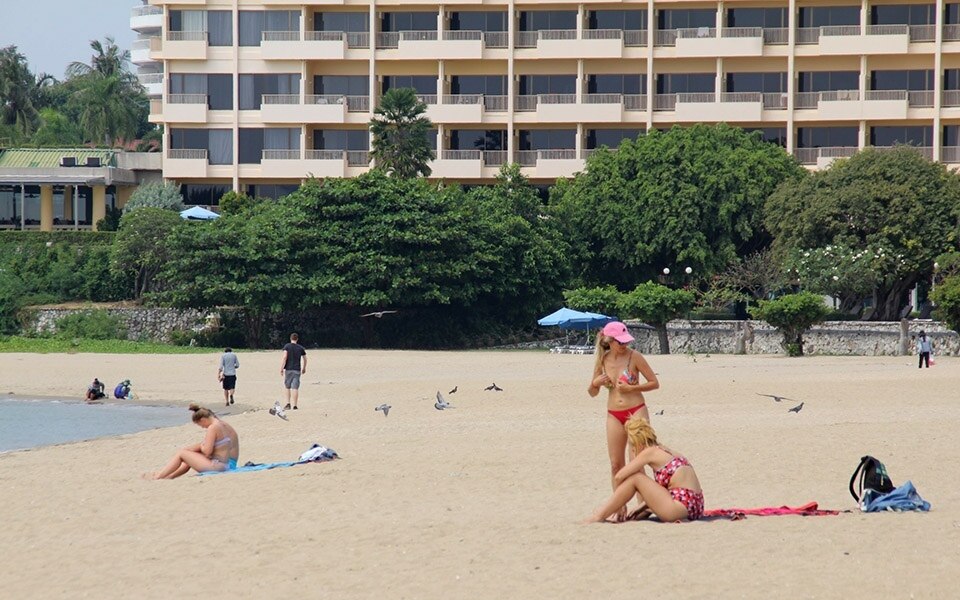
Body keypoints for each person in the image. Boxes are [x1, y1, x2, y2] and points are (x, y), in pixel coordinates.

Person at [587, 321, 659, 521]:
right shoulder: (602, 360)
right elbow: (592, 392)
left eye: (625, 341)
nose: (624, 345)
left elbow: (654, 383)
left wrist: (632, 389)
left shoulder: (634, 357)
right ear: (609, 341)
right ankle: (620, 507)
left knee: (637, 461)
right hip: (613, 413)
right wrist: (595, 383)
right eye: (620, 342)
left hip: (636, 409)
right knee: (616, 465)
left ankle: (642, 506)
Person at [584, 414, 703, 523]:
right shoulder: (667, 451)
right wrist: (643, 506)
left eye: (632, 446)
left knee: (636, 478)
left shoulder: (649, 452)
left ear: (638, 442)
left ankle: (599, 516)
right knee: (639, 511)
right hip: (695, 506)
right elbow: (670, 489)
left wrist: (620, 504)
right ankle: (618, 515)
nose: (634, 451)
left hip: (680, 507)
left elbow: (619, 476)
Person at [144, 404, 240, 479]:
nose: (203, 427)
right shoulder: (222, 424)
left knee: (182, 453)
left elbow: (207, 451)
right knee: (188, 456)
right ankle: (169, 476)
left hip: (218, 466)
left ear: (203, 419)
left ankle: (160, 476)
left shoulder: (213, 427)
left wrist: (202, 446)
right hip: (223, 465)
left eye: (201, 425)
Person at [280, 332, 307, 410]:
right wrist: (304, 368)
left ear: (290, 338)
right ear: (297, 339)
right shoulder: (300, 348)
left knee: (287, 386)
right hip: (297, 369)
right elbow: (305, 359)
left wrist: (281, 368)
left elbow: (285, 357)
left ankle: (288, 404)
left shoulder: (287, 346)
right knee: (295, 387)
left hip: (288, 369)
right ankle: (295, 405)